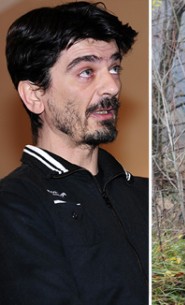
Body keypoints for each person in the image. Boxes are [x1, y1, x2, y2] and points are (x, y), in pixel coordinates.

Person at [0, 2, 148, 304]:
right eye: (86, 71)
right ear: (35, 95)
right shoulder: (14, 206)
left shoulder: (144, 193)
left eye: (114, 67)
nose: (112, 86)